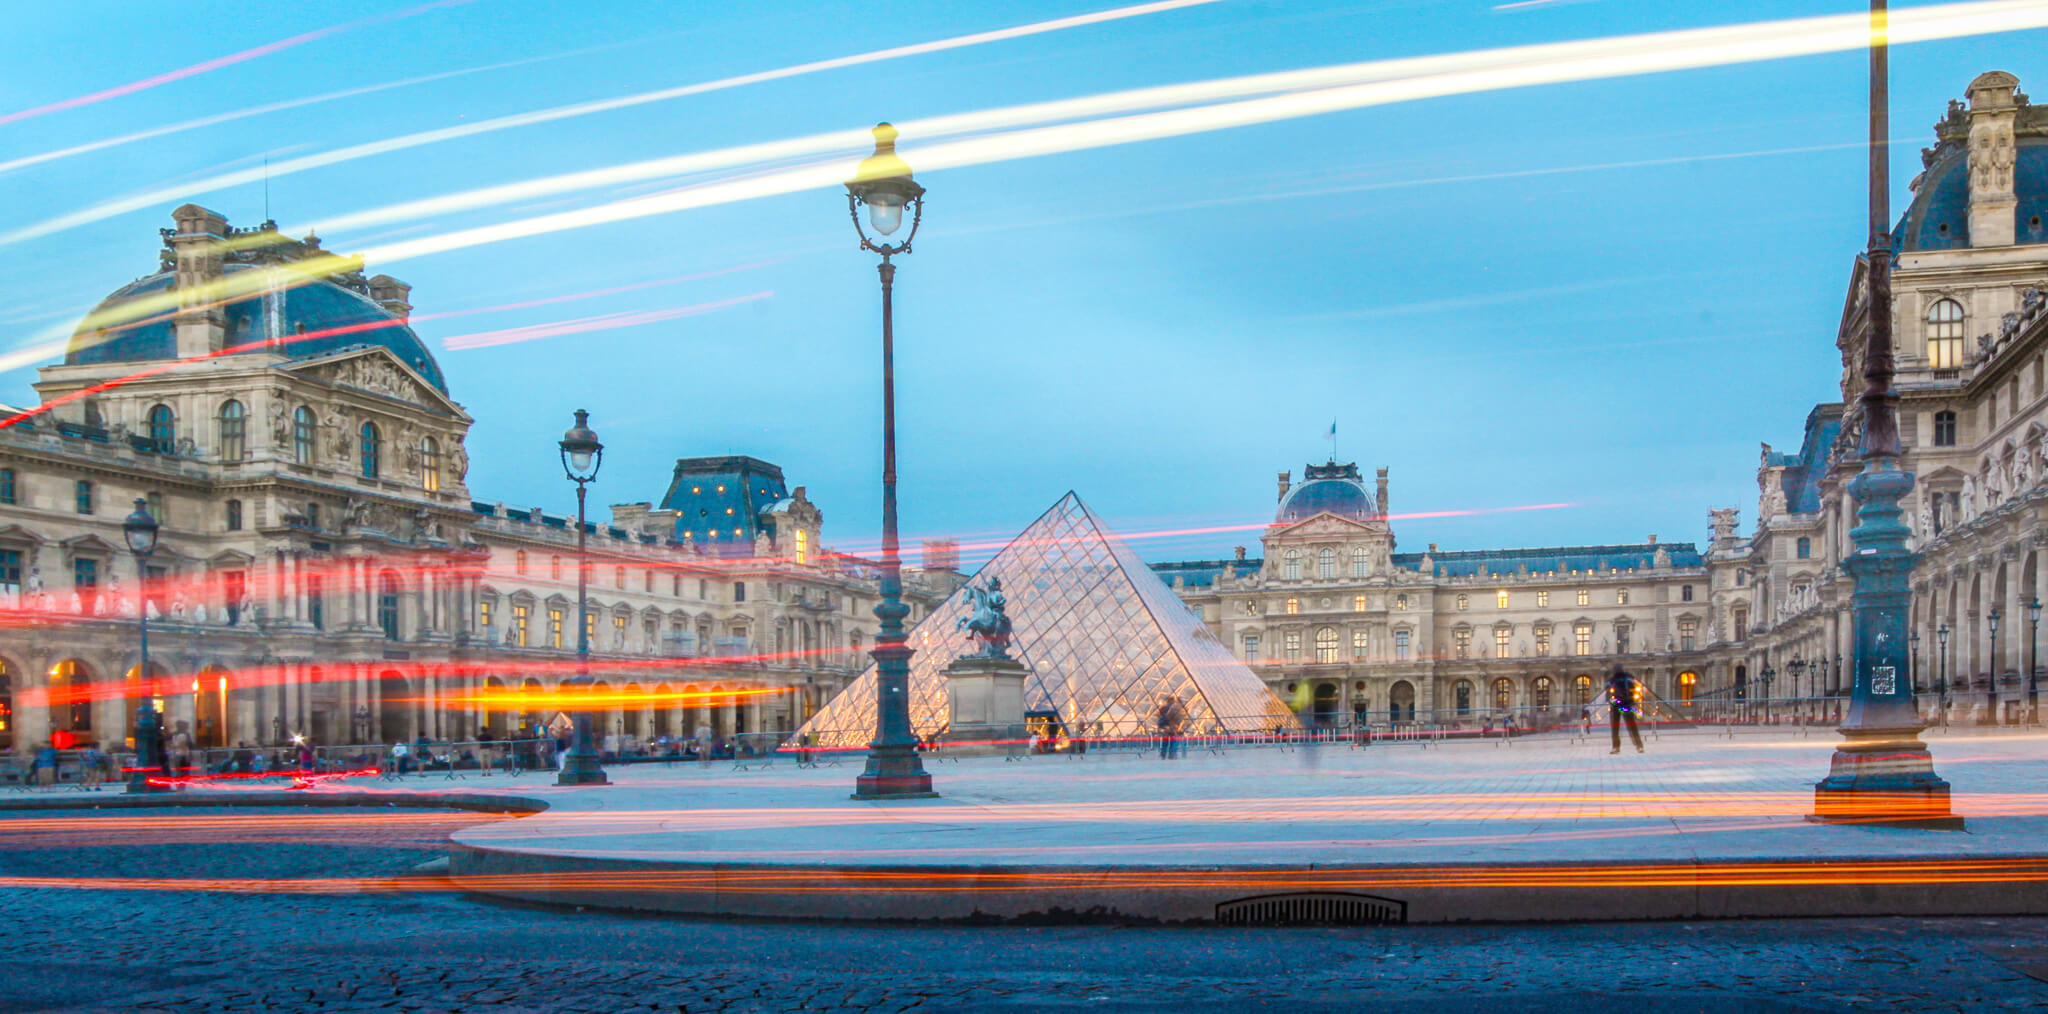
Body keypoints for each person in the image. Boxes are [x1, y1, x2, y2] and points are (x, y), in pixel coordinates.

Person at [1607, 663, 1645, 755]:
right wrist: (1632, 698)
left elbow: (1608, 693)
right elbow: (1637, 688)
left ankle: (1616, 747)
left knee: (1617, 728)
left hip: (1618, 705)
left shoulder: (1614, 679)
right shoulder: (1626, 678)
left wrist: (1611, 701)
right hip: (1624, 705)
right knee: (1631, 726)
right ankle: (1638, 746)